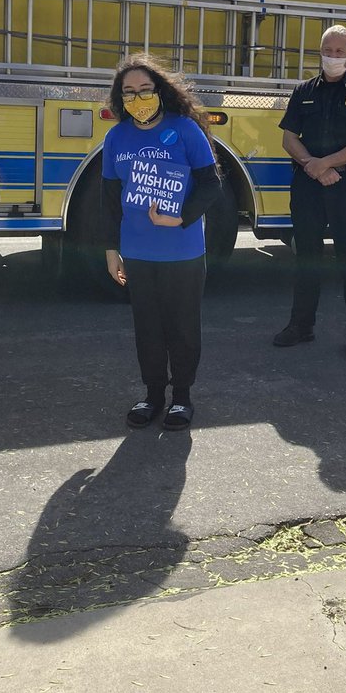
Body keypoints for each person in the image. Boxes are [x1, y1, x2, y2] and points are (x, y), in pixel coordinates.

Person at [101, 54, 222, 431]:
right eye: (129, 93)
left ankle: (181, 398)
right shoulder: (116, 136)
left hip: (182, 250)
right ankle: (153, 395)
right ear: (120, 99)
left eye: (145, 90)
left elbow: (211, 184)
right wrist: (110, 249)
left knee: (182, 327)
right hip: (137, 251)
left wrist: (181, 216)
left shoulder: (184, 129)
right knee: (148, 328)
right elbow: (108, 199)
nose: (138, 99)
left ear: (159, 91)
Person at [273, 25, 346, 359]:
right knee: (307, 257)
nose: (333, 57)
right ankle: (301, 326)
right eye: (328, 50)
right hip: (307, 184)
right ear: (319, 52)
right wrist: (312, 164)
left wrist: (327, 164)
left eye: (339, 52)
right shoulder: (304, 90)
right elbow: (288, 137)